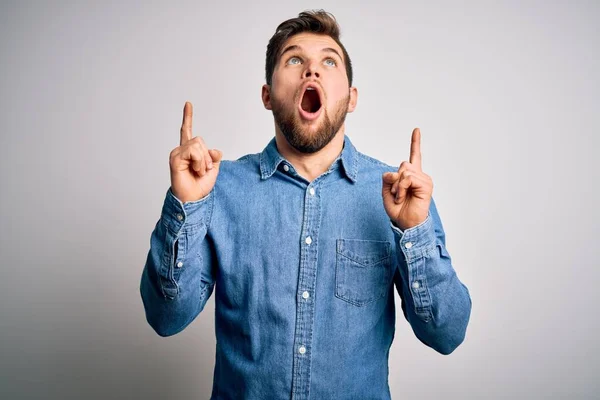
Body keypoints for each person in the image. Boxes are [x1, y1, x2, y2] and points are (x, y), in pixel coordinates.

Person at [140, 9, 472, 400]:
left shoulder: (399, 195)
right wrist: (186, 207)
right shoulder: (218, 187)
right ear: (267, 94)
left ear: (350, 98)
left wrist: (413, 233)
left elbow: (447, 334)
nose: (311, 71)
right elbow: (166, 319)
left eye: (329, 61)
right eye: (294, 59)